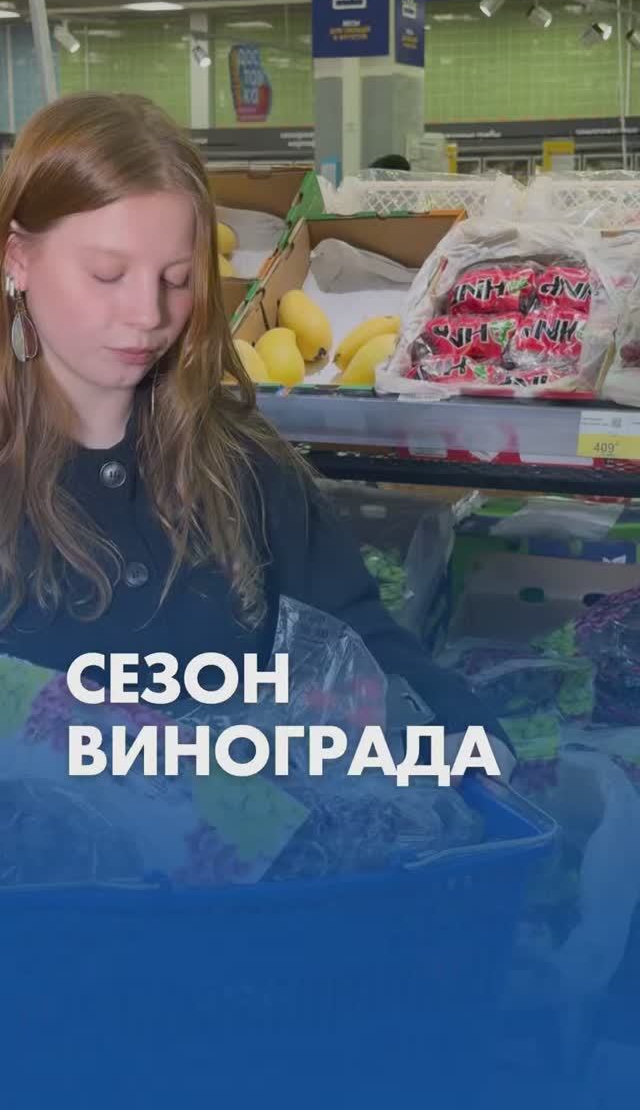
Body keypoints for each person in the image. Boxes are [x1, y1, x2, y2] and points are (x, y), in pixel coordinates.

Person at [0, 91, 514, 779]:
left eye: (177, 280)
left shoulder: (240, 461)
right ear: (18, 258)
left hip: (243, 845)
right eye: (107, 274)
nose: (148, 314)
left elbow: (360, 639)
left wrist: (463, 739)